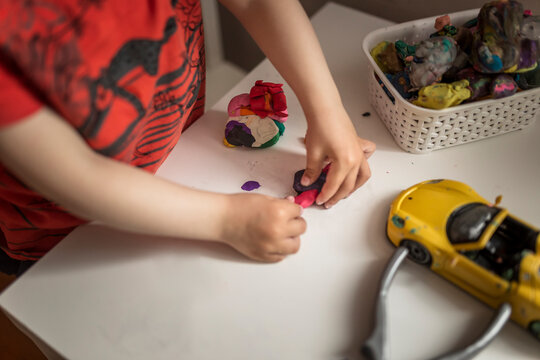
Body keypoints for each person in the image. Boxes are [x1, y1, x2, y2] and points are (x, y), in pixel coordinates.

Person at [0, 0, 375, 276]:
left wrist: (327, 109)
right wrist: (226, 220)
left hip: (176, 155)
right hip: (64, 237)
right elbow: (77, 174)